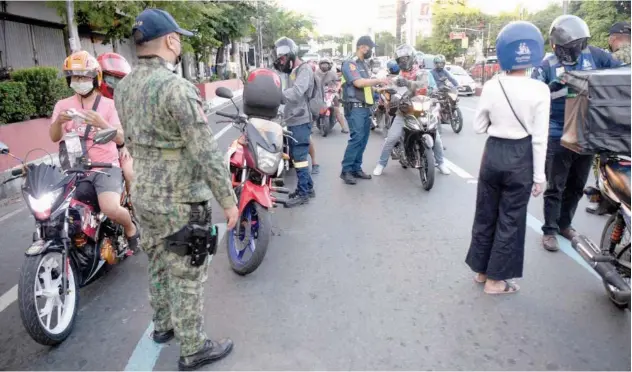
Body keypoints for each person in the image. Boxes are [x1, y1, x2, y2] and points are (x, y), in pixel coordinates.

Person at [114, 8, 238, 370]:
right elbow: (204, 151)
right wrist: (228, 202)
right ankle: (194, 347)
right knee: (187, 271)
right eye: (178, 37)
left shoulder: (124, 88)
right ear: (170, 40)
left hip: (144, 192)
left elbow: (134, 143)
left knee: (156, 261)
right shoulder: (176, 88)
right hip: (179, 199)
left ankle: (163, 326)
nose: (180, 42)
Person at [466, 21, 550, 295]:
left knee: (485, 213)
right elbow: (539, 137)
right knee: (510, 219)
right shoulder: (540, 90)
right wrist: (539, 177)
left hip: (492, 155)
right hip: (521, 158)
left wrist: (498, 128)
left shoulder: (492, 85)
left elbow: (478, 127)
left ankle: (480, 272)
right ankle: (496, 281)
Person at [532, 14, 622, 252]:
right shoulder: (547, 65)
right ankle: (549, 230)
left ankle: (565, 224)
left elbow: (622, 73)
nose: (575, 50)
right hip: (558, 133)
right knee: (556, 185)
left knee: (577, 184)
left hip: (587, 133)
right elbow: (535, 95)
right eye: (568, 47)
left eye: (577, 45)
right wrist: (555, 87)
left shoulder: (596, 56)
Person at [50, 50, 140, 250]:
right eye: (74, 77)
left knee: (110, 207)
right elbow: (54, 136)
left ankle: (131, 228)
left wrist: (101, 123)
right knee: (57, 210)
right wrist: (59, 121)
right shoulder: (62, 105)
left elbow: (119, 137)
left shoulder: (109, 105)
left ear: (94, 78)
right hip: (74, 169)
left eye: (83, 76)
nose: (79, 80)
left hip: (105, 167)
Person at [372, 44, 451, 176]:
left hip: (423, 110)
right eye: (400, 60)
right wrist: (381, 88)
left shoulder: (422, 73)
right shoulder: (398, 76)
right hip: (404, 111)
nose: (403, 62)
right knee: (392, 138)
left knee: (436, 137)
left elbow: (423, 85)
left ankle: (441, 163)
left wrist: (408, 83)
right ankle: (381, 164)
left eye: (405, 58)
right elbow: (391, 85)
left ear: (412, 58)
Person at [340, 35, 390, 185]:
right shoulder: (351, 63)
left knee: (363, 140)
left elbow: (367, 86)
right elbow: (359, 83)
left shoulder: (363, 64)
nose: (371, 51)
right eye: (370, 48)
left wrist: (379, 89)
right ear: (362, 47)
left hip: (365, 107)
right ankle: (346, 170)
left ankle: (356, 168)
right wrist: (379, 80)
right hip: (355, 108)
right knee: (356, 139)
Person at [272, 36, 315, 206]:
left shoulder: (304, 69)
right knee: (296, 157)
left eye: (282, 57)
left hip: (301, 119)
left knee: (300, 157)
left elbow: (297, 92)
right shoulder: (293, 71)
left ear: (290, 54)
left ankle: (303, 193)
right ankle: (308, 188)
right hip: (293, 118)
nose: (281, 61)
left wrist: (276, 96)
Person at [96, 52, 134, 195]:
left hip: (123, 148)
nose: (116, 84)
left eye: (119, 80)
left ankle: (132, 210)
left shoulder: (128, 101)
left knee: (129, 173)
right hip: (95, 152)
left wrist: (126, 146)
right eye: (111, 79)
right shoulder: (89, 100)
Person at [315, 57, 349, 134]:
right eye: (322, 64)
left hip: (332, 94)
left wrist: (336, 88)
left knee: (337, 110)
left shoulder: (332, 73)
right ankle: (309, 127)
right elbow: (313, 84)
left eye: (326, 64)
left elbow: (338, 83)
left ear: (329, 65)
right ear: (320, 65)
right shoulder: (316, 73)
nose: (324, 66)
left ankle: (343, 127)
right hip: (320, 94)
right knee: (312, 108)